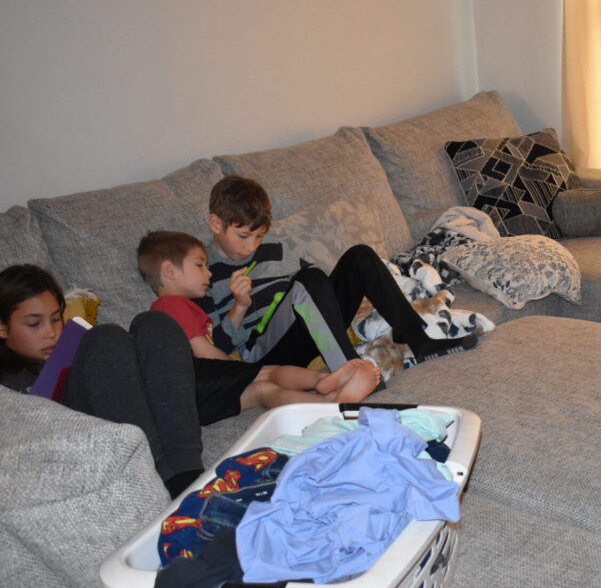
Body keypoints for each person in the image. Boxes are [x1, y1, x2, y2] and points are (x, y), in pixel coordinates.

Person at [194, 175, 478, 371]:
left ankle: (418, 339)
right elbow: (214, 346)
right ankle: (347, 367)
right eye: (244, 236)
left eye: (258, 237)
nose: (252, 246)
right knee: (309, 279)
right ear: (216, 224)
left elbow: (320, 289)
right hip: (265, 352)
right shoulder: (203, 275)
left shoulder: (276, 249)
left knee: (360, 256)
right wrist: (239, 307)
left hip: (312, 329)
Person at [0, 263, 205, 496]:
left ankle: (189, 476)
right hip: (76, 438)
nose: (51, 332)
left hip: (119, 414)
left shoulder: (68, 348)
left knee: (155, 323)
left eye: (56, 319)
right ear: (2, 327)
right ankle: (165, 482)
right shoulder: (7, 383)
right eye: (34, 323)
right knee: (105, 338)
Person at [136, 230, 382, 407]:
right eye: (200, 265)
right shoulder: (171, 305)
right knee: (267, 373)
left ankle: (328, 402)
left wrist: (239, 307)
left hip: (201, 399)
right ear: (169, 271)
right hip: (194, 382)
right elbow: (203, 352)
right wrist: (243, 370)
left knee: (264, 392)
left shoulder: (179, 308)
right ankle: (323, 381)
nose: (208, 272)